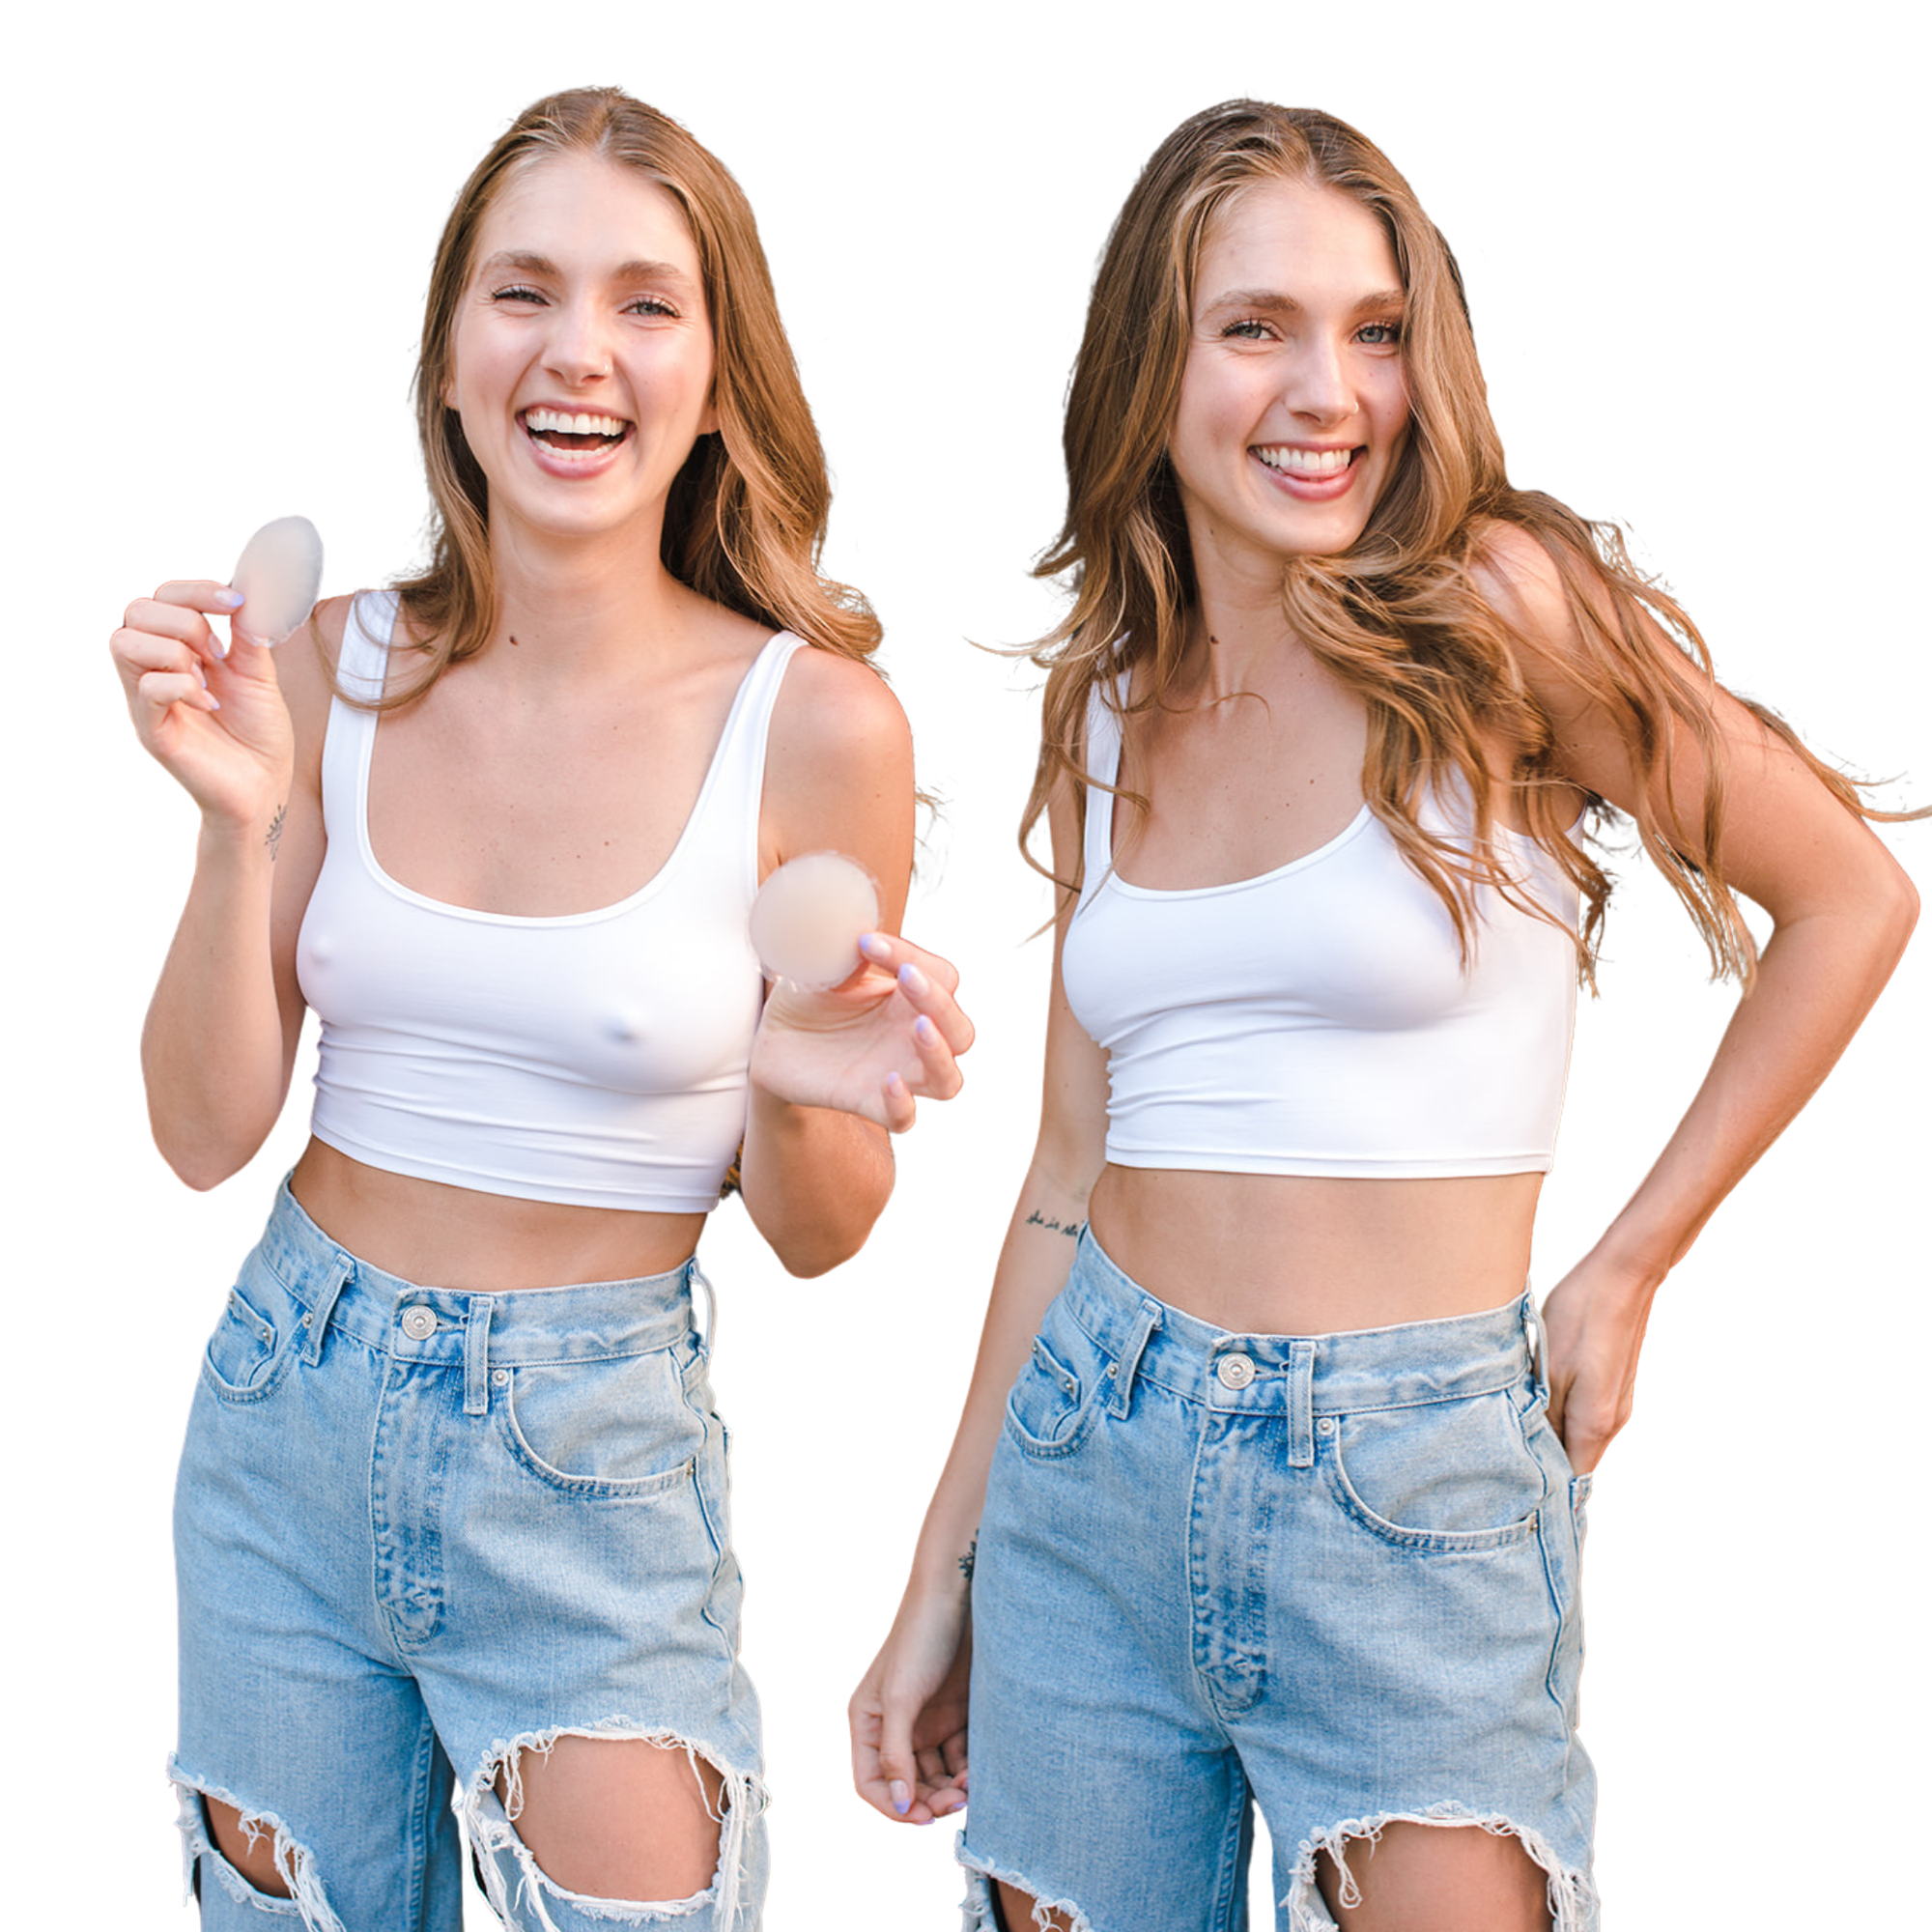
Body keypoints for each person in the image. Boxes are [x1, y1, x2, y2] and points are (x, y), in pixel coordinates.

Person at [849, 99, 1917, 1932]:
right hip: (1093, 1462)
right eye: (1255, 326)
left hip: (1414, 1494)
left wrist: (1628, 1266)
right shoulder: (1111, 699)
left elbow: (1849, 898)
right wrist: (941, 1564)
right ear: (1150, 366)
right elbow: (1066, 1165)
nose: (1326, 390)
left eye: (1378, 330)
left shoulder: (1500, 610)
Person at [109, 86, 969, 1932]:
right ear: (448, 352)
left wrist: (803, 1078)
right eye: (526, 293)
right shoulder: (328, 663)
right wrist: (236, 822)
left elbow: (818, 1238)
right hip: (285, 1408)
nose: (579, 352)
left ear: (721, 375)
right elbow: (198, 1136)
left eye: (647, 303)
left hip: (587, 1456)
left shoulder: (815, 722)